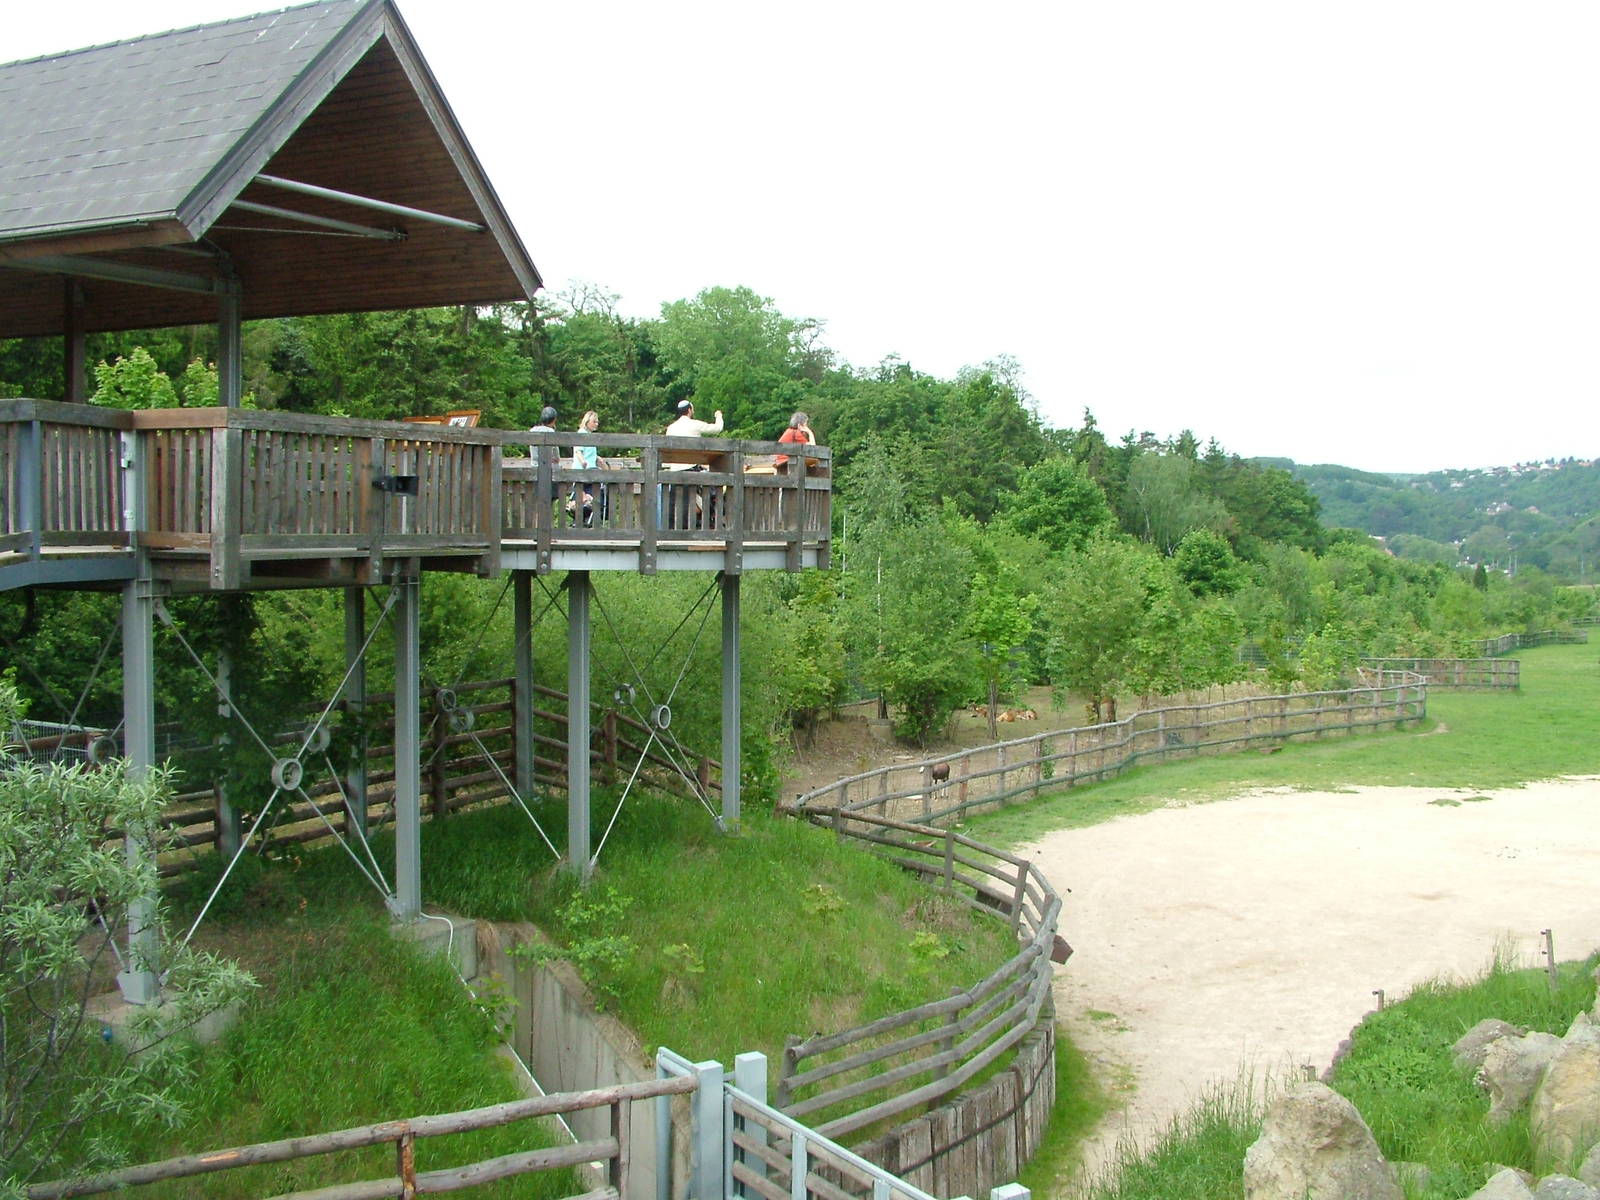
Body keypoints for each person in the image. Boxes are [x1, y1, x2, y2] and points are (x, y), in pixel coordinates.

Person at [567, 410, 601, 527]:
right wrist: (583, 462)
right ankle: (578, 510)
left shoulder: (591, 436)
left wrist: (599, 460)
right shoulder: (581, 432)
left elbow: (591, 453)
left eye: (597, 422)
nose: (597, 424)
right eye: (594, 421)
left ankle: (583, 515)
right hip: (582, 470)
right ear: (587, 421)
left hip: (591, 471)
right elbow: (578, 450)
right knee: (582, 496)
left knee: (589, 496)